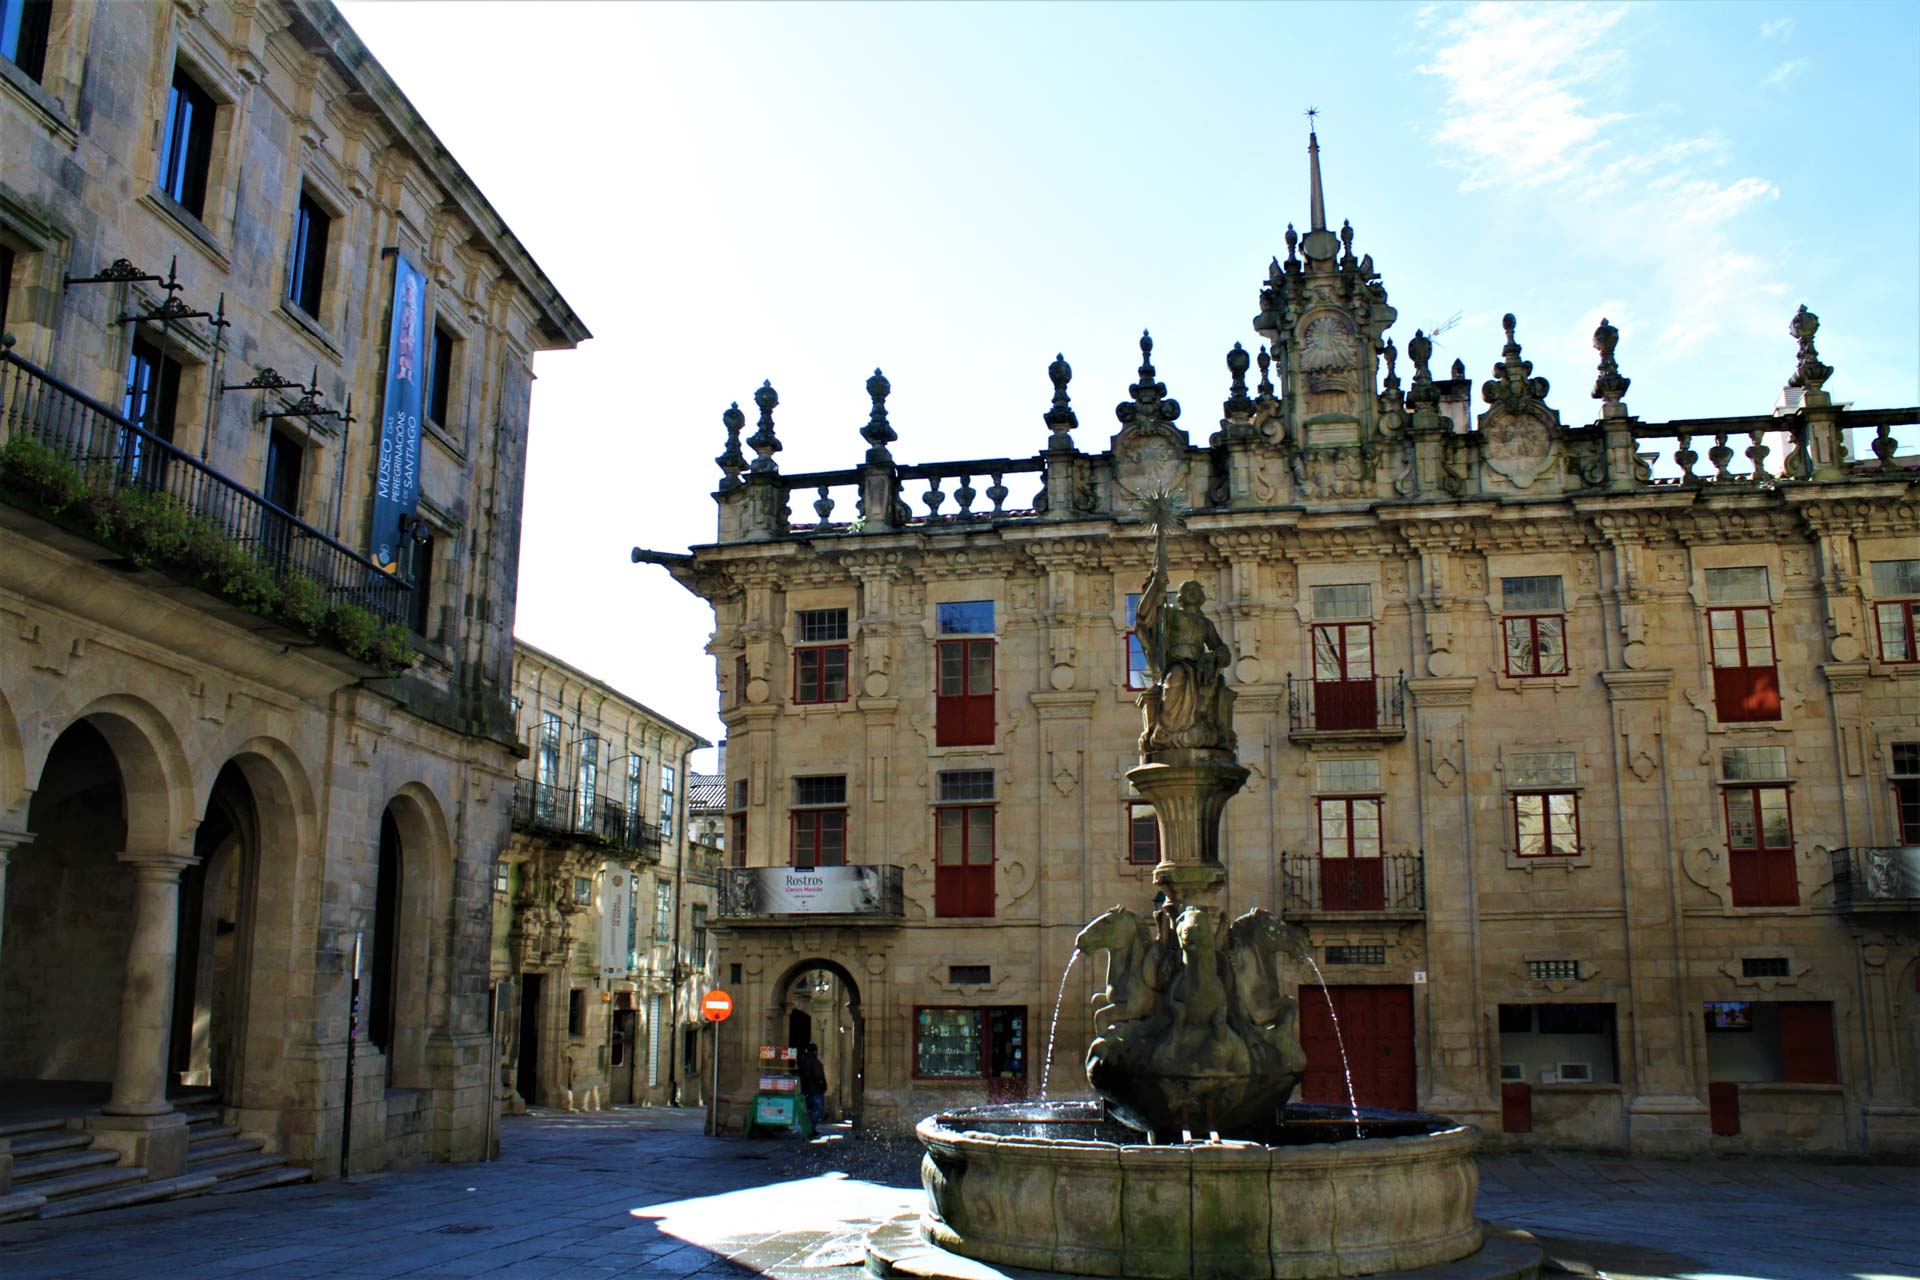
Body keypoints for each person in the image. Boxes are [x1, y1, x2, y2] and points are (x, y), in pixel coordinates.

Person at [797, 1042, 827, 1129]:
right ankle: (809, 1126)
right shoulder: (815, 1062)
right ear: (815, 1052)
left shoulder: (802, 1062)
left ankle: (806, 1126)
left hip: (805, 1089)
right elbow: (818, 1076)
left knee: (808, 1108)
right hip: (815, 1089)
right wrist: (822, 1084)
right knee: (818, 1107)